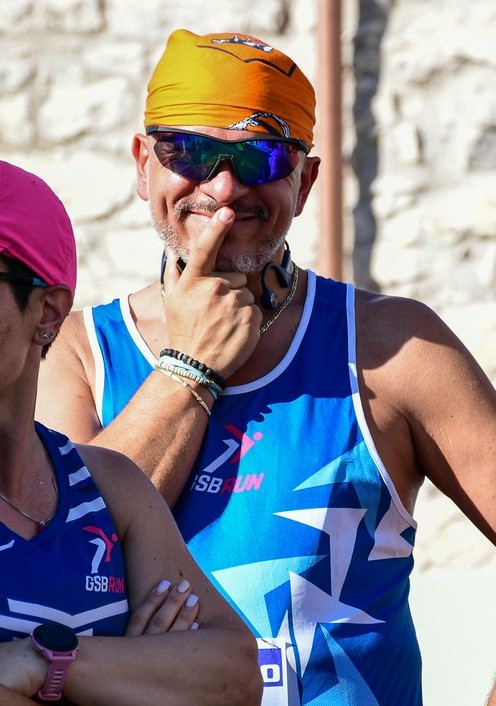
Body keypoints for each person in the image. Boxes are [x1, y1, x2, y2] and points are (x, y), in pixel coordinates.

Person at [36, 29, 496, 706]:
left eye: (262, 158)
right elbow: (55, 581)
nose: (224, 188)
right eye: (189, 152)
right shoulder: (80, 356)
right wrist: (190, 368)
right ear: (143, 165)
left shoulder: (392, 347)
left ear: (304, 182)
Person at [0, 160, 262, 706]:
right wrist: (133, 674)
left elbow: (236, 676)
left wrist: (47, 660)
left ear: (47, 312)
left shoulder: (107, 483)